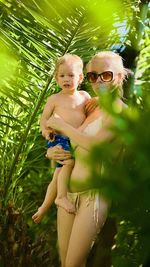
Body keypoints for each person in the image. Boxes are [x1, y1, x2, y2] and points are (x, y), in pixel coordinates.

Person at [46, 51, 130, 267]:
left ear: (119, 77)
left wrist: (62, 125)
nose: (99, 80)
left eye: (107, 75)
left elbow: (95, 146)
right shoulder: (89, 106)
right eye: (93, 76)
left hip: (94, 198)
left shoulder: (120, 112)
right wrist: (52, 151)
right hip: (68, 194)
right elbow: (71, 143)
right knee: (66, 263)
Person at [32, 53, 97, 223]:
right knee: (67, 163)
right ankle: (61, 197)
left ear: (81, 77)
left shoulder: (84, 97)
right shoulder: (55, 99)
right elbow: (44, 118)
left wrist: (98, 100)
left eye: (71, 75)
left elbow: (92, 113)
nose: (66, 79)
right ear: (56, 78)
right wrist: (45, 131)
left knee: (58, 174)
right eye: (62, 76)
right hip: (59, 138)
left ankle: (44, 206)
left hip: (76, 139)